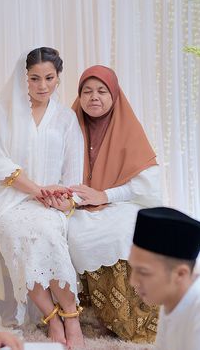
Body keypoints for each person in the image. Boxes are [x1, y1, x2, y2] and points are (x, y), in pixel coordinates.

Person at [0, 47, 84, 348]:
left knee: (47, 230)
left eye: (49, 78)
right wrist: (35, 190)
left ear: (58, 78)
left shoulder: (67, 119)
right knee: (18, 232)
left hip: (50, 203)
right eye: (34, 78)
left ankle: (72, 317)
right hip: (8, 200)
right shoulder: (5, 111)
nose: (42, 86)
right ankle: (52, 318)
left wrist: (64, 199)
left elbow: (72, 176)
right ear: (24, 78)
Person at [67, 65, 162, 342]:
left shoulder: (128, 127)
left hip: (121, 203)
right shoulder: (67, 125)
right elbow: (55, 173)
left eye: (101, 91)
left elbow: (147, 185)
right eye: (86, 91)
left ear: (114, 95)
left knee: (122, 232)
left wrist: (105, 195)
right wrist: (74, 198)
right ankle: (87, 313)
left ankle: (129, 318)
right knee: (75, 235)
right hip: (76, 205)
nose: (93, 97)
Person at [128, 207, 200, 350]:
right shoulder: (171, 298)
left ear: (180, 274)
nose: (133, 281)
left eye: (143, 272)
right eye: (133, 268)